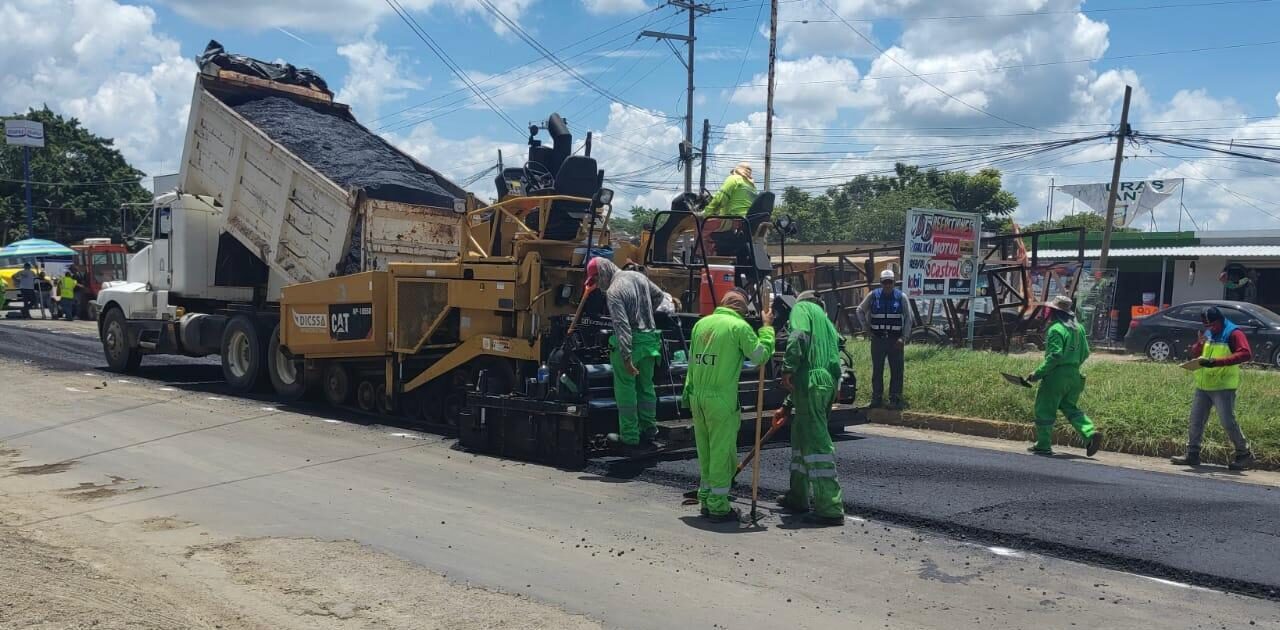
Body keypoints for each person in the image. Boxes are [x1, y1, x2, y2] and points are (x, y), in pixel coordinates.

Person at [684, 289, 774, 523]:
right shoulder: (738, 328)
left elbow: (691, 362)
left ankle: (706, 497)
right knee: (722, 454)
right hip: (720, 399)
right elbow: (760, 356)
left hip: (697, 397)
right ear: (742, 310)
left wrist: (688, 394)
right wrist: (767, 329)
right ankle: (718, 506)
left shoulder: (701, 325)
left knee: (705, 451)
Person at [584, 257, 673, 450]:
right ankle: (650, 430)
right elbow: (659, 296)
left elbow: (622, 325)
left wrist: (626, 356)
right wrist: (646, 314)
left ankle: (630, 436)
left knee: (626, 392)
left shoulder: (614, 291)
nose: (598, 285)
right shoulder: (637, 276)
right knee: (646, 387)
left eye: (597, 280)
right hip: (650, 342)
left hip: (631, 344)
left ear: (603, 272)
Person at [778, 291, 844, 526]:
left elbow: (798, 336)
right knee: (801, 439)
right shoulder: (826, 321)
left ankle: (830, 507)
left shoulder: (801, 310)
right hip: (824, 384)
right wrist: (787, 405)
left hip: (810, 383)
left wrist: (788, 367)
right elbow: (836, 359)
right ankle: (798, 497)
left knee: (816, 444)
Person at [1171, 306, 1254, 470]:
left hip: (1223, 386)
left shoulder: (1234, 333)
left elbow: (1246, 354)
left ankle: (1244, 454)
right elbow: (1197, 353)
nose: (1209, 329)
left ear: (1220, 320)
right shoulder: (1208, 332)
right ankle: (1192, 454)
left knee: (1228, 422)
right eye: (1206, 326)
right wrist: (1198, 346)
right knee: (1196, 421)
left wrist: (1216, 362)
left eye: (1212, 325)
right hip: (1203, 385)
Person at [1027, 295, 1102, 456]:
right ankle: (1089, 433)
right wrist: (1072, 365)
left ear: (1054, 312)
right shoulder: (1079, 328)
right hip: (1075, 375)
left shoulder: (1056, 329)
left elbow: (1055, 355)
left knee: (1045, 410)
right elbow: (1086, 352)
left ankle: (1043, 444)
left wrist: (1037, 374)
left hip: (1056, 377)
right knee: (1070, 408)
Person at [856, 269, 912, 408]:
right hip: (878, 340)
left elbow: (909, 318)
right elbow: (860, 310)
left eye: (890, 282)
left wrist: (903, 338)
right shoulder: (873, 296)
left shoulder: (901, 297)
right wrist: (866, 328)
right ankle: (877, 399)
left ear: (894, 282)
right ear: (881, 283)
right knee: (877, 370)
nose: (888, 285)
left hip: (895, 340)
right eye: (885, 282)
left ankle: (895, 399)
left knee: (897, 370)